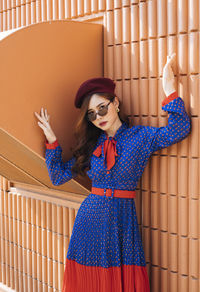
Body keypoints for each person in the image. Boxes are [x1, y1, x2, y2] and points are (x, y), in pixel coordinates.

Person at [34, 53, 191, 292]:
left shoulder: (141, 137)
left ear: (115, 103)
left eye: (102, 108)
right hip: (88, 223)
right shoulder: (92, 146)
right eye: (92, 114)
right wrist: (52, 141)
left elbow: (179, 129)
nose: (99, 117)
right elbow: (57, 176)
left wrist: (169, 89)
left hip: (121, 222)